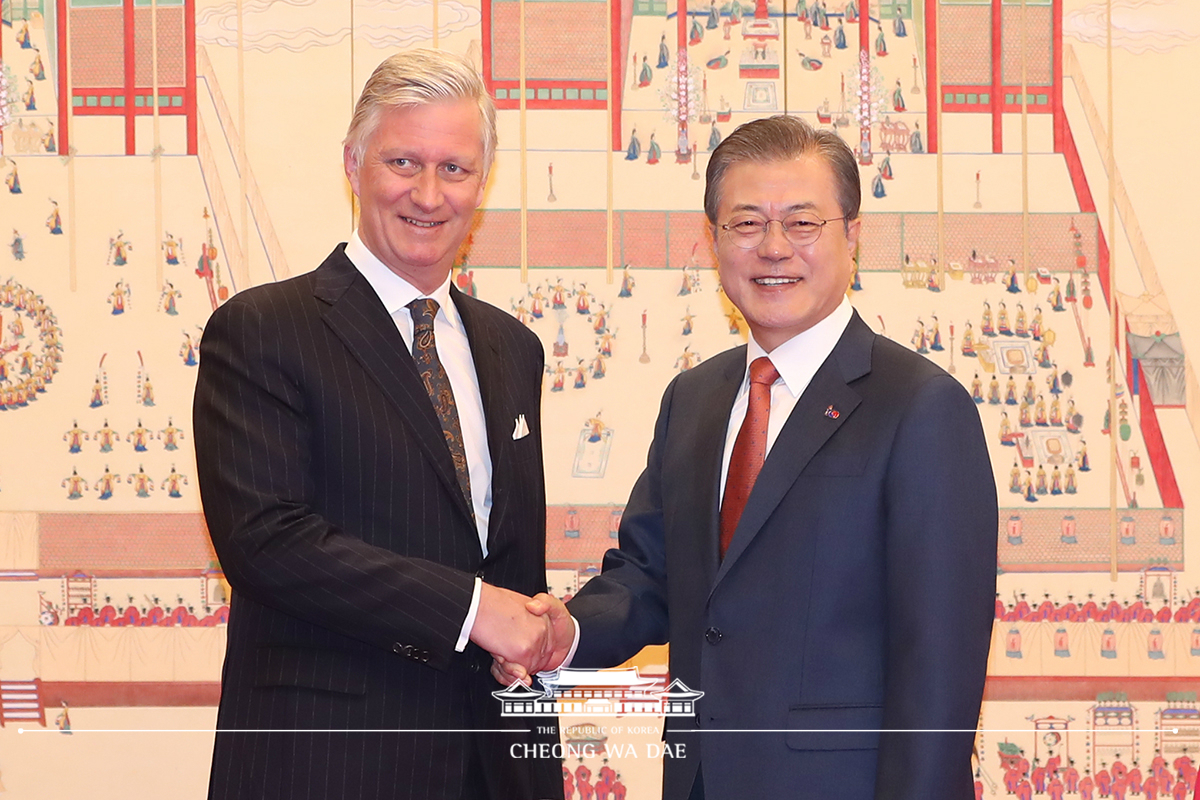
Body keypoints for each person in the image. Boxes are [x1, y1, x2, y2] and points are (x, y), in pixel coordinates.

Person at [498, 116, 997, 800]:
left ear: (852, 235)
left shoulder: (920, 408)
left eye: (802, 223)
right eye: (746, 224)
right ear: (713, 241)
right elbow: (650, 575)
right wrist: (565, 632)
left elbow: (939, 665)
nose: (772, 248)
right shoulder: (694, 399)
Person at [194, 50, 564, 800]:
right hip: (328, 766)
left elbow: (505, 559)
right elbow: (266, 542)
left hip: (497, 764)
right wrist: (471, 610)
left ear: (481, 182)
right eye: (403, 162)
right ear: (354, 164)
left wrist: (532, 627)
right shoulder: (262, 329)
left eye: (455, 169)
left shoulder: (513, 348)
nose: (428, 194)